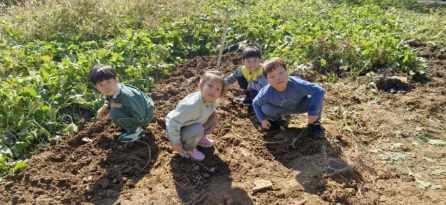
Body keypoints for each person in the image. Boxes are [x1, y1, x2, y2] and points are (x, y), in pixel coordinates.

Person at [252, 58, 325, 137]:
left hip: (300, 105)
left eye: (281, 73)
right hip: (281, 109)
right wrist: (262, 119)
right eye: (272, 76)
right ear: (267, 80)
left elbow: (319, 91)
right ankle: (275, 122)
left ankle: (314, 125)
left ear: (287, 72)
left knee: (317, 100)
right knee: (265, 108)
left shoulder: (297, 84)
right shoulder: (266, 92)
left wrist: (313, 112)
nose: (278, 78)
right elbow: (255, 103)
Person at [166, 71, 225, 161]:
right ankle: (189, 149)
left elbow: (211, 113)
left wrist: (212, 120)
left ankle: (199, 138)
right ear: (201, 85)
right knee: (197, 129)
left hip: (194, 122)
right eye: (210, 86)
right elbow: (172, 121)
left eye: (218, 89)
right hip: (180, 131)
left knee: (214, 116)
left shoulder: (211, 100)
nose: (213, 91)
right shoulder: (191, 106)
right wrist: (176, 143)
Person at [90, 64, 154, 142]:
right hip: (137, 111)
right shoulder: (112, 91)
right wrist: (105, 108)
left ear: (116, 80)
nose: (106, 87)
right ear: (96, 87)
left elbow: (139, 111)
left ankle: (136, 132)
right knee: (114, 110)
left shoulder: (127, 96)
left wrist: (140, 123)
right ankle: (132, 125)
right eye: (101, 85)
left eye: (108, 82)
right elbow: (109, 101)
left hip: (144, 115)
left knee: (115, 113)